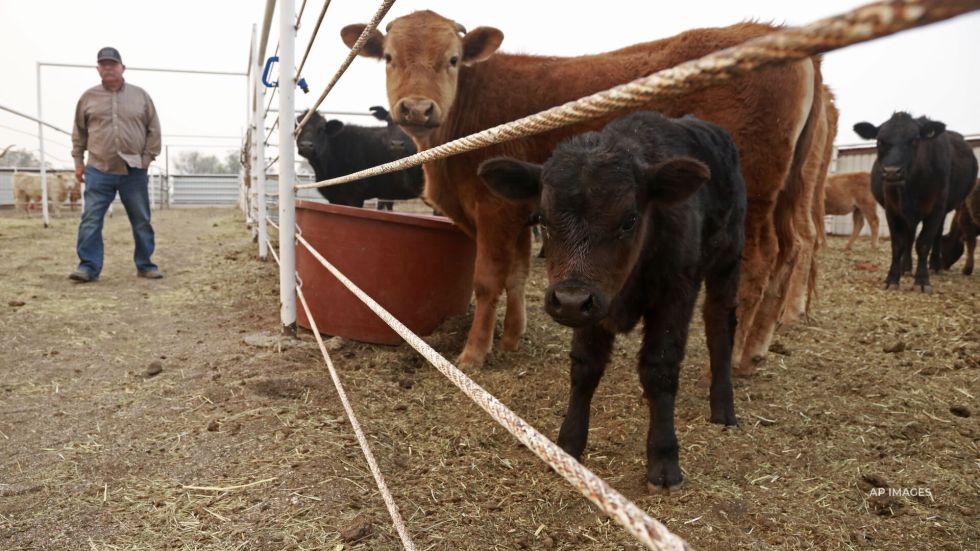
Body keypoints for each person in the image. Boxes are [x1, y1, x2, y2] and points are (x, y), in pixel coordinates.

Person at [69, 46, 162, 282]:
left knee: (141, 219)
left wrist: (146, 159)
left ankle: (145, 264)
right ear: (98, 69)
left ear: (123, 67)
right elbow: (79, 133)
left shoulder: (141, 96)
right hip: (99, 169)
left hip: (134, 170)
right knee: (91, 218)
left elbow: (154, 130)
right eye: (104, 64)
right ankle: (88, 266)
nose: (108, 68)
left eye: (113, 64)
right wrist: (79, 162)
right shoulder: (88, 98)